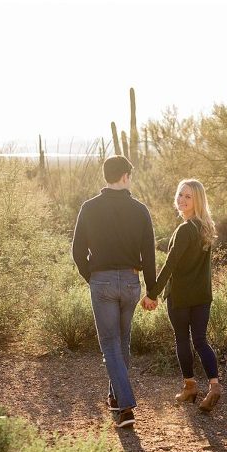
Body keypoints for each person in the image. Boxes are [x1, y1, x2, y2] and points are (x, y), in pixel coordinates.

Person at [72, 155, 157, 428]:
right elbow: (150, 255)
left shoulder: (89, 208)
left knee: (110, 344)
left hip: (102, 282)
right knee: (122, 342)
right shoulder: (141, 210)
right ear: (125, 177)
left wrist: (94, 277)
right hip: (132, 283)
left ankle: (125, 407)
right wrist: (152, 290)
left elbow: (77, 252)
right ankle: (114, 397)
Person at [143, 179, 220, 411]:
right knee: (200, 340)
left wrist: (152, 294)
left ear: (198, 200)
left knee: (182, 340)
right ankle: (214, 386)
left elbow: (170, 264)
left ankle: (190, 385)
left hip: (181, 297)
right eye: (180, 195)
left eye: (188, 196)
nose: (182, 200)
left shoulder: (185, 230)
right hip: (202, 296)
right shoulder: (206, 228)